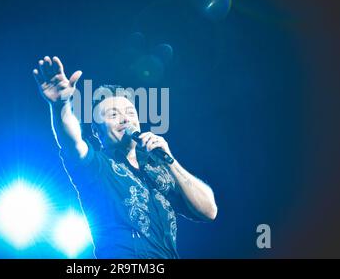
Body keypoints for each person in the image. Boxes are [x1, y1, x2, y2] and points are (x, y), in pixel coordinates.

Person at [33, 56, 217, 258]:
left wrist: (170, 160)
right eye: (113, 115)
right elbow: (71, 141)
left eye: (130, 112)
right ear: (97, 131)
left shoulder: (157, 169)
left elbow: (209, 211)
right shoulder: (96, 166)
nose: (125, 119)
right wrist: (61, 105)